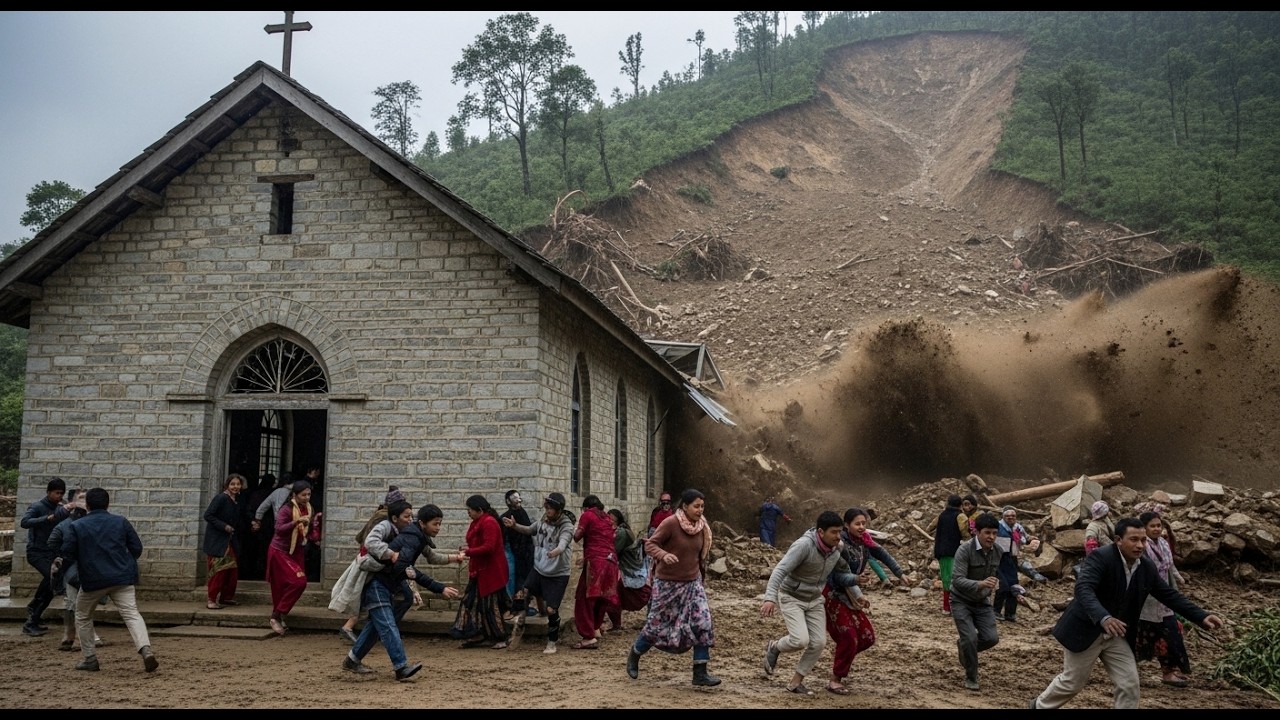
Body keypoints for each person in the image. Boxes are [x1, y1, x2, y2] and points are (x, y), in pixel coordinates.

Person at [1031, 517, 1224, 709]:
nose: (1140, 545)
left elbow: (1167, 594)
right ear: (1118, 540)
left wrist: (1201, 616)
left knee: (1129, 685)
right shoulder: (1101, 557)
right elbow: (1084, 589)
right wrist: (1103, 617)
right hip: (1087, 629)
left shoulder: (1146, 567)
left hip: (1117, 634)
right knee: (1072, 683)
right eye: (1134, 539)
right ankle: (1038, 707)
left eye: (1143, 540)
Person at [342, 500, 461, 681]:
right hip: (377, 583)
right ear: (422, 523)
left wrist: (455, 558)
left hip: (388, 583)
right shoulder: (409, 537)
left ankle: (352, 660)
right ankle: (401, 667)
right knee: (388, 625)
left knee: (380, 624)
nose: (438, 528)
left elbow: (432, 557)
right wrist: (439, 587)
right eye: (435, 524)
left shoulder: (417, 536)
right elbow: (405, 569)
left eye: (440, 523)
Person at [626, 488, 721, 687]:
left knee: (703, 623)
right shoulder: (671, 523)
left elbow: (699, 555)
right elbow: (650, 545)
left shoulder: (702, 526)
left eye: (702, 506)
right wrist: (663, 555)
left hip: (692, 584)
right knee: (655, 627)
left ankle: (700, 673)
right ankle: (635, 654)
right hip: (667, 585)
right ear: (685, 506)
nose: (700, 510)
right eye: (696, 506)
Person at [58, 486, 159, 673]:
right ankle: (145, 649)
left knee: (82, 616)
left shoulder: (77, 526)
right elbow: (136, 547)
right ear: (108, 504)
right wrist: (126, 563)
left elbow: (67, 553)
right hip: (122, 577)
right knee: (132, 614)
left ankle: (90, 658)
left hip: (93, 580)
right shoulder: (120, 521)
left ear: (87, 505)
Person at [760, 509, 853, 697]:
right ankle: (775, 646)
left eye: (840, 531)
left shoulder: (837, 548)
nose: (838, 536)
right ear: (820, 532)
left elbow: (843, 571)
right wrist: (770, 598)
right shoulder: (803, 546)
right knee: (800, 640)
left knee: (818, 643)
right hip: (791, 597)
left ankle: (795, 683)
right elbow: (780, 571)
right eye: (833, 532)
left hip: (815, 599)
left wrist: (857, 585)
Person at [823, 506, 904, 695]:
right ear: (846, 525)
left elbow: (883, 554)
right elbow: (838, 577)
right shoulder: (839, 545)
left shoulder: (864, 541)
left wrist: (900, 573)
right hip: (833, 594)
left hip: (851, 593)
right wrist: (857, 583)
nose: (861, 527)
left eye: (863, 523)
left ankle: (843, 657)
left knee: (867, 637)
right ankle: (835, 679)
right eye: (857, 523)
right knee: (849, 637)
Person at [503, 491, 575, 654]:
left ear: (558, 510)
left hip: (558, 573)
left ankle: (552, 641)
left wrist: (556, 551)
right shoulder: (543, 520)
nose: (547, 511)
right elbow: (530, 530)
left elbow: (563, 543)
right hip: (539, 568)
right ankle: (519, 627)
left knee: (551, 610)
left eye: (550, 508)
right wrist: (514, 526)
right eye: (546, 507)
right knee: (523, 594)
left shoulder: (566, 526)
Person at [1134, 510, 1193, 688]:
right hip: (1145, 600)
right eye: (1152, 526)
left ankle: (1169, 673)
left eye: (1159, 525)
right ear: (1144, 528)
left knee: (1171, 633)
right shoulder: (1141, 548)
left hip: (1164, 596)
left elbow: (1169, 565)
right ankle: (1127, 672)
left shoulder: (1163, 544)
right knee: (1138, 637)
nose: (1157, 529)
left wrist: (1178, 577)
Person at [450, 494, 511, 649]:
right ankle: (479, 633)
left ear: (479, 510)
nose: (468, 512)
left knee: (490, 605)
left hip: (491, 571)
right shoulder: (478, 522)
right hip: (480, 570)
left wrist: (469, 551)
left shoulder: (489, 523)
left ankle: (501, 636)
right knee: (473, 602)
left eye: (470, 509)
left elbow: (489, 547)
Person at [950, 511, 1003, 692]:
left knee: (991, 638)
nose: (991, 537)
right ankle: (971, 676)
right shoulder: (964, 550)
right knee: (971, 637)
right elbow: (957, 580)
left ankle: (965, 647)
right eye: (987, 533)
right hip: (960, 601)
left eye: (995, 533)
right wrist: (980, 584)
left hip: (982, 602)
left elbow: (999, 574)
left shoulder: (998, 551)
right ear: (977, 532)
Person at [48, 488, 103, 652]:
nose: (84, 501)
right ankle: (74, 636)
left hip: (91, 569)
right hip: (72, 570)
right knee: (73, 603)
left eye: (86, 498)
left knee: (83, 604)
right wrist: (58, 561)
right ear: (72, 502)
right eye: (81, 498)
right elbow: (52, 544)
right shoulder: (65, 525)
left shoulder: (96, 521)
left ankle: (77, 635)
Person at [265, 479, 322, 635]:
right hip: (280, 550)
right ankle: (276, 616)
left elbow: (308, 531)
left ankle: (280, 614)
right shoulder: (286, 509)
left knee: (293, 583)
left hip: (297, 550)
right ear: (295, 495)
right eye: (303, 495)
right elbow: (278, 529)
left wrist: (315, 535)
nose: (307, 498)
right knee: (297, 582)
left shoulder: (309, 509)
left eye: (309, 494)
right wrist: (295, 522)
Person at [20, 476, 70, 636]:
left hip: (51, 554)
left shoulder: (61, 508)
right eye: (57, 493)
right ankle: (32, 618)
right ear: (48, 492)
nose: (59, 496)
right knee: (51, 579)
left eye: (62, 493)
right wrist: (46, 519)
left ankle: (34, 611)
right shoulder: (38, 507)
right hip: (36, 553)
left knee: (51, 584)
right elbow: (25, 522)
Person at [571, 494, 620, 648]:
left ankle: (588, 636)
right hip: (611, 562)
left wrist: (573, 527)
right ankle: (595, 628)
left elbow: (577, 536)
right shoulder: (607, 518)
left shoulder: (587, 515)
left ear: (586, 507)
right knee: (601, 597)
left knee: (584, 598)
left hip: (596, 563)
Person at [201, 473, 245, 610]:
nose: (235, 487)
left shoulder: (236, 501)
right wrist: (224, 526)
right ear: (227, 485)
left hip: (229, 540)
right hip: (218, 541)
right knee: (218, 570)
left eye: (238, 484)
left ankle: (227, 597)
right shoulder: (220, 498)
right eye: (232, 484)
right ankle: (212, 599)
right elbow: (208, 515)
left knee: (231, 571)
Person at [606, 508, 651, 631]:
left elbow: (613, 551)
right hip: (627, 568)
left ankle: (616, 625)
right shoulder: (625, 531)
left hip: (627, 569)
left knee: (612, 595)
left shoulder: (621, 533)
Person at [993, 506, 1041, 622]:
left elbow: (1025, 537)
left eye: (1013, 516)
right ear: (1003, 516)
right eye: (1007, 516)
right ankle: (995, 611)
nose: (1010, 517)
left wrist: (1031, 540)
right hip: (998, 560)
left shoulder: (1018, 528)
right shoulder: (998, 527)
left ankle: (1010, 613)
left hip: (1012, 559)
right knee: (1003, 586)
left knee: (1014, 587)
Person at [500, 489, 536, 618]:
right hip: (511, 552)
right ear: (508, 502)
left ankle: (523, 606)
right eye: (514, 498)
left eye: (519, 498)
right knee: (511, 579)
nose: (518, 500)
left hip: (525, 554)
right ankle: (512, 606)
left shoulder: (523, 513)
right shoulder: (505, 517)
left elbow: (528, 532)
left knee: (524, 580)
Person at [931, 494, 965, 614]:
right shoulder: (960, 516)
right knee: (955, 579)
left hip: (941, 551)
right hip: (955, 551)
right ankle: (953, 606)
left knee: (946, 579)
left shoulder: (942, 515)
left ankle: (946, 607)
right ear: (961, 505)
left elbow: (932, 528)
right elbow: (965, 533)